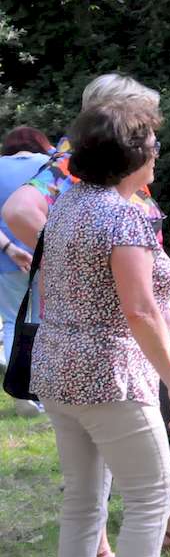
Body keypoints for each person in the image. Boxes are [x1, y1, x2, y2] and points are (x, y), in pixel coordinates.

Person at [2, 74, 170, 557]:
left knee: (162, 417)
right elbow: (19, 209)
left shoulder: (121, 179)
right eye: (144, 122)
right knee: (102, 452)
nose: (154, 138)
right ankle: (109, 552)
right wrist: (82, 264)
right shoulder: (76, 168)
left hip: (134, 329)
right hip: (106, 339)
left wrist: (161, 305)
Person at [31, 98, 170, 557]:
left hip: (57, 368)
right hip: (109, 375)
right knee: (152, 492)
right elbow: (139, 311)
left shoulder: (67, 203)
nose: (158, 154)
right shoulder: (122, 217)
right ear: (131, 154)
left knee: (84, 496)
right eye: (153, 145)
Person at [0, 126, 52, 417]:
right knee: (42, 322)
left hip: (5, 259)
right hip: (44, 254)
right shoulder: (50, 167)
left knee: (12, 321)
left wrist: (8, 248)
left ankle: (19, 390)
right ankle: (41, 392)